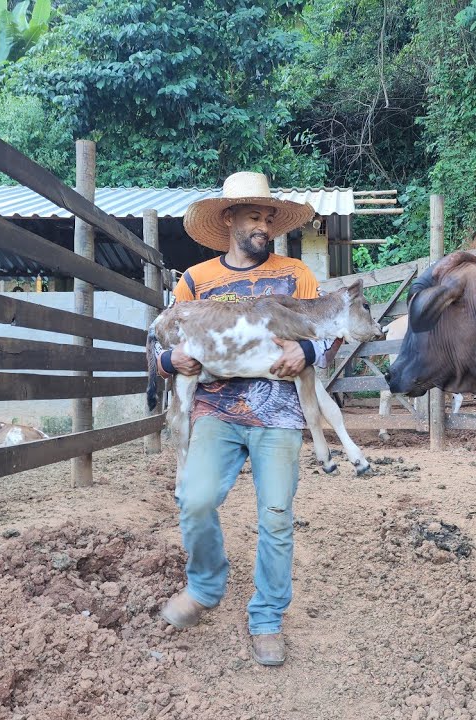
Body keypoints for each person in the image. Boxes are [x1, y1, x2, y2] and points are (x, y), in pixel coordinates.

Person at [150, 171, 334, 667]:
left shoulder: (296, 275)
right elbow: (159, 340)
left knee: (276, 516)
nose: (264, 227)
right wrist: (170, 361)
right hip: (216, 410)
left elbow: (329, 329)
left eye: (269, 219)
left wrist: (307, 351)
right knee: (194, 499)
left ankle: (267, 618)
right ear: (229, 219)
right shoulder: (196, 281)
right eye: (255, 217)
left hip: (279, 413)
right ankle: (205, 586)